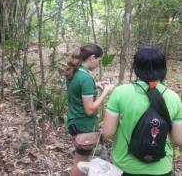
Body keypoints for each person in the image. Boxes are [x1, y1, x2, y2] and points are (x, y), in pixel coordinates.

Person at [103, 46, 182, 176]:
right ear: (163, 69)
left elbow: (108, 133)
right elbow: (178, 139)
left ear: (136, 68)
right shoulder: (174, 97)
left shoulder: (120, 93)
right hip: (162, 168)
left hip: (126, 167)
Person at [65, 44, 114, 176]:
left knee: (81, 161)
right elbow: (90, 110)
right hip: (85, 127)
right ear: (92, 58)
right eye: (99, 60)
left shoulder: (76, 71)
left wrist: (95, 85)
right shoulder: (85, 78)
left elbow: (77, 90)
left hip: (75, 123)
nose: (99, 63)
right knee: (82, 163)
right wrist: (105, 93)